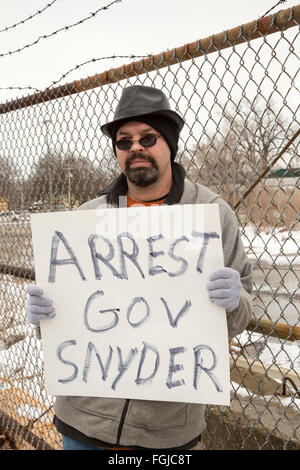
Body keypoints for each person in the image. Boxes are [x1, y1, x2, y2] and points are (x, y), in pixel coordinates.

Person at [26, 85, 253, 450]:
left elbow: (240, 315)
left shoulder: (211, 215)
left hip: (165, 431)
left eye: (148, 137)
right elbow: (68, 324)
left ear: (169, 144)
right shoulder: (86, 218)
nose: (136, 148)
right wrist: (44, 317)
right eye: (124, 140)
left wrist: (235, 300)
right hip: (82, 421)